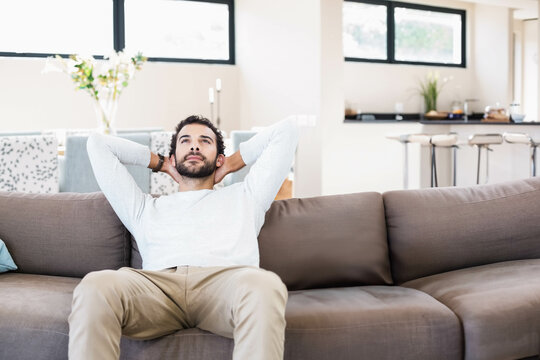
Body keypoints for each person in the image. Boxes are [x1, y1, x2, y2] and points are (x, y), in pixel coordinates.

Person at [68, 115, 299, 360]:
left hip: (225, 285)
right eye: (185, 140)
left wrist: (232, 162)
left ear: (219, 158)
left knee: (264, 285)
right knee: (95, 285)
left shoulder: (247, 195)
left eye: (205, 141)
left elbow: (287, 131)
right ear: (174, 157)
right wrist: (160, 164)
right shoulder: (144, 207)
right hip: (157, 288)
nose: (194, 146)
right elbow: (98, 144)